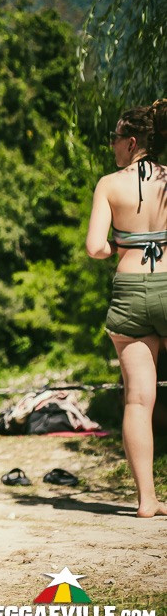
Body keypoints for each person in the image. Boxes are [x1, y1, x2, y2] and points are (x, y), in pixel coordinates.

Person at [86, 99, 167, 518]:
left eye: (115, 138)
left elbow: (95, 247)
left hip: (131, 290)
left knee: (137, 400)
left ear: (132, 142)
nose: (112, 145)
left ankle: (147, 500)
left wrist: (122, 244)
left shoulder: (108, 185)